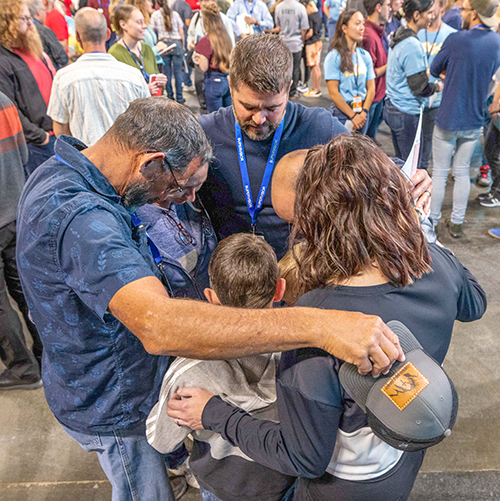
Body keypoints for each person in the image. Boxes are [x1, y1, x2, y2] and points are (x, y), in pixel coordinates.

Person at [17, 97, 405, 501]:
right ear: (149, 163)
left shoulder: (71, 170)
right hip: (113, 402)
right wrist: (319, 325)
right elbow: (158, 324)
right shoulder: (82, 220)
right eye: (180, 188)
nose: (184, 201)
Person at [167, 134, 487, 501]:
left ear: (321, 221)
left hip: (339, 489)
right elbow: (475, 303)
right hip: (401, 458)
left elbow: (303, 456)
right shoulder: (438, 265)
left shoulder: (318, 323)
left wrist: (214, 413)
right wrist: (417, 229)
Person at [198, 34, 432, 259]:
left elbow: (377, 164)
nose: (260, 119)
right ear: (230, 86)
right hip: (229, 273)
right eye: (248, 107)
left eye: (272, 108)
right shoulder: (204, 133)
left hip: (297, 270)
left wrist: (411, 177)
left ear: (289, 89)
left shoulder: (318, 128)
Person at [147, 233, 296, 501]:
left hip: (224, 487)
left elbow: (162, 440)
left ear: (211, 298)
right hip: (284, 481)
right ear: (279, 289)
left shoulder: (189, 371)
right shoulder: (301, 350)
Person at [429, 0, 500, 238]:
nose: (462, 13)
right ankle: (457, 224)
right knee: (461, 172)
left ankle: (433, 222)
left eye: (466, 10)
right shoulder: (497, 43)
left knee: (439, 173)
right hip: (473, 120)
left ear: (475, 14)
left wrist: (450, 72)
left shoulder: (456, 39)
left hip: (448, 116)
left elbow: (433, 68)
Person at [47, 8, 150, 146]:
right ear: (108, 34)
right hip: (127, 160)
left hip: (85, 161)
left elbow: (61, 131)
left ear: (77, 37)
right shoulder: (133, 75)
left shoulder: (64, 78)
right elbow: (147, 123)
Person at [0, 91, 42, 390]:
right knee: (25, 289)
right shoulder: (4, 100)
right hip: (16, 210)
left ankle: (23, 369)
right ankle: (45, 354)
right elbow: (24, 156)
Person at [0, 0, 56, 176]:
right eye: (24, 18)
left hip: (54, 135)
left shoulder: (32, 49)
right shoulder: (4, 60)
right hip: (36, 144)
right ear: (7, 22)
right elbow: (11, 110)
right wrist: (41, 137)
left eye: (30, 17)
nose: (31, 23)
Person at [384, 0, 442, 166]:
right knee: (412, 166)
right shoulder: (412, 45)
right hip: (406, 112)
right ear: (416, 15)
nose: (432, 17)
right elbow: (419, 87)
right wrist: (437, 87)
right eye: (429, 13)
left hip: (393, 106)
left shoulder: (400, 34)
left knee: (402, 161)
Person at [417, 0, 456, 169]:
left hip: (438, 99)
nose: (429, 13)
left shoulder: (451, 35)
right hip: (414, 97)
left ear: (442, 7)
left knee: (426, 144)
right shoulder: (417, 32)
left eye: (432, 8)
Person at [324, 10, 376, 133]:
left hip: (363, 113)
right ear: (345, 28)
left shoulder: (365, 56)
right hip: (342, 114)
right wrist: (353, 116)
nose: (362, 28)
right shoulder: (334, 57)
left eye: (363, 24)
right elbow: (334, 93)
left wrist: (364, 113)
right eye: (357, 23)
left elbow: (371, 88)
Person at [188, 0, 236, 113]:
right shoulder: (226, 37)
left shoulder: (205, 41)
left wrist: (199, 58)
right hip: (227, 80)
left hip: (213, 82)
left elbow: (203, 67)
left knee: (215, 118)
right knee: (229, 115)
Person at [109, 5, 167, 96]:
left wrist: (160, 83)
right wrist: (142, 90)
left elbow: (155, 78)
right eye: (139, 22)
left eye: (143, 22)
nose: (144, 26)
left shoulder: (147, 49)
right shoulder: (114, 54)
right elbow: (115, 91)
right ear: (123, 25)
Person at [363, 0, 390, 139]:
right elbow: (370, 73)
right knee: (366, 139)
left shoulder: (377, 31)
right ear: (378, 7)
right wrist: (391, 63)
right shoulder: (368, 35)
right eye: (388, 5)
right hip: (372, 97)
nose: (389, 8)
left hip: (379, 93)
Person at [151, 0, 185, 103]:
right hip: (176, 43)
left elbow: (153, 32)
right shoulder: (175, 14)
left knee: (167, 72)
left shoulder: (155, 15)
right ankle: (180, 98)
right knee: (178, 72)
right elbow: (181, 31)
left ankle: (170, 97)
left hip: (163, 45)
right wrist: (183, 46)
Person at [274, 0, 310, 97]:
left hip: (283, 42)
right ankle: (292, 92)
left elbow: (278, 26)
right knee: (295, 68)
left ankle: (282, 91)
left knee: (282, 68)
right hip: (296, 43)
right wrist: (302, 40)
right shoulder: (300, 7)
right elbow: (304, 28)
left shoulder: (278, 7)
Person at [28, 0, 68, 69]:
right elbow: (62, 57)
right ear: (38, 12)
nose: (46, 13)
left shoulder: (23, 30)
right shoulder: (44, 31)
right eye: (43, 10)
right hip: (48, 72)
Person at [125, 0, 165, 70]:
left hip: (155, 63)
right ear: (141, 3)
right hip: (146, 67)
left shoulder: (147, 23)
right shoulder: (135, 27)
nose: (151, 4)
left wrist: (161, 49)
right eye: (149, 1)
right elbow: (139, 52)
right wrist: (157, 48)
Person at [480, 82, 500, 207]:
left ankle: (498, 194)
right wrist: (495, 103)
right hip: (498, 119)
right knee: (490, 151)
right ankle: (494, 190)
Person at [301, 0, 323, 97]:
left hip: (312, 44)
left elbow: (310, 32)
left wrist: (303, 39)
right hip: (318, 41)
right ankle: (316, 89)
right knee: (317, 67)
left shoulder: (310, 16)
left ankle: (315, 89)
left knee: (313, 67)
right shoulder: (317, 15)